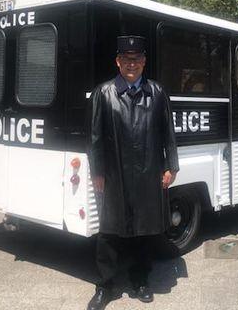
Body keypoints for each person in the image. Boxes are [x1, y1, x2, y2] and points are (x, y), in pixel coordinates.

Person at [87, 35, 180, 310]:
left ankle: (140, 280)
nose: (132, 64)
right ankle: (105, 287)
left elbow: (168, 133)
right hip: (114, 175)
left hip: (147, 172)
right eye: (126, 59)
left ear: (144, 62)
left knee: (144, 230)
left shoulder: (158, 92)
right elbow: (94, 138)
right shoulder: (103, 93)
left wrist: (170, 165)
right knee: (109, 233)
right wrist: (97, 172)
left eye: (136, 59)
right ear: (117, 61)